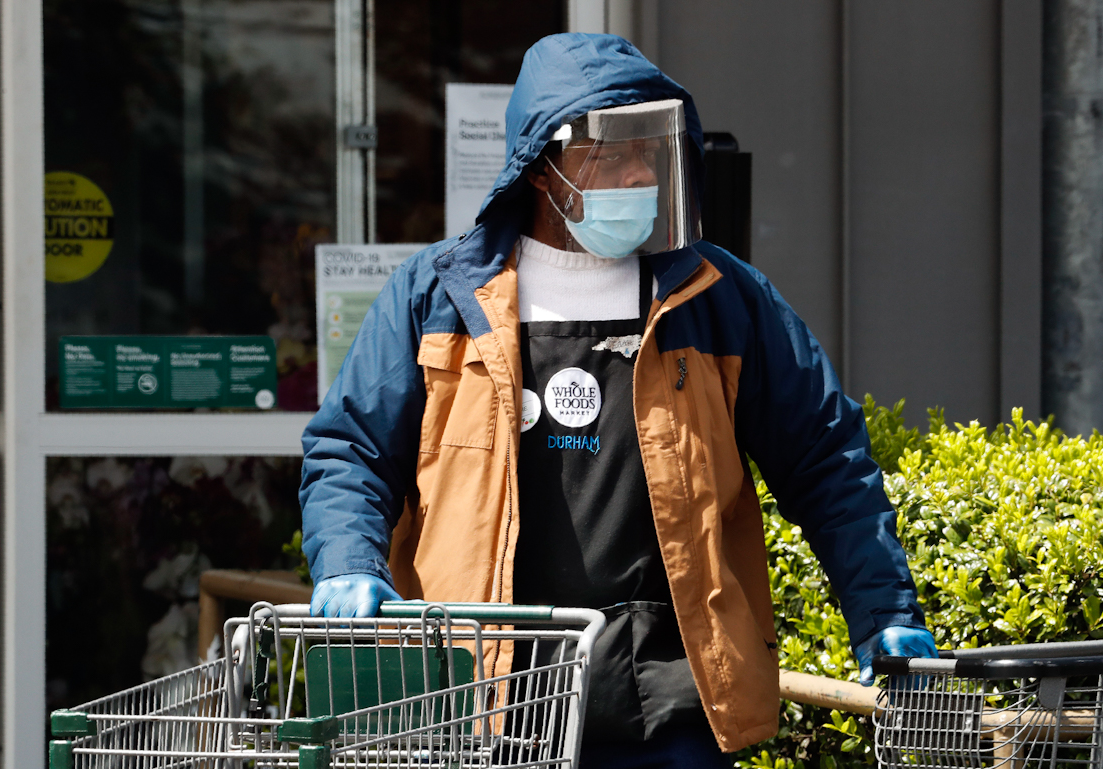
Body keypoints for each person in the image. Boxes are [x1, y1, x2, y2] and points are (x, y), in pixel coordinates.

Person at [299, 32, 937, 764]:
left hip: (673, 697)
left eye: (650, 149)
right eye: (611, 151)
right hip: (483, 701)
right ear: (541, 166)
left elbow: (828, 459)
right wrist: (349, 561)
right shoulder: (436, 296)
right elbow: (351, 449)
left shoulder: (718, 298)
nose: (638, 173)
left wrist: (883, 610)